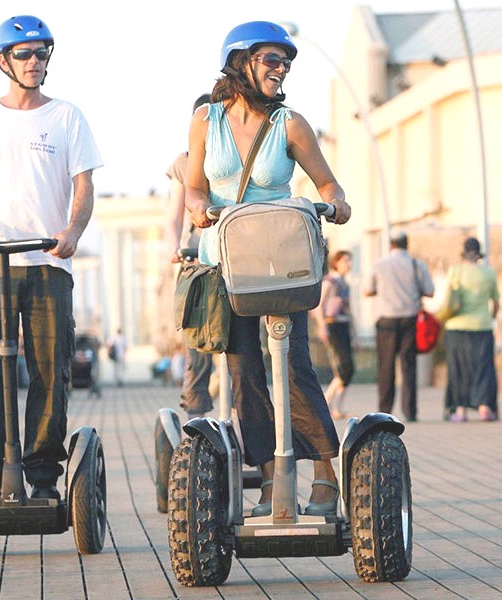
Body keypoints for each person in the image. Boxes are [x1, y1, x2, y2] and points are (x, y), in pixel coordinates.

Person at [185, 21, 351, 517]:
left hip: (281, 265)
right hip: (226, 266)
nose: (281, 70)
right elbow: (195, 186)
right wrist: (196, 207)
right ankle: (269, 480)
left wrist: (336, 205)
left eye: (285, 63)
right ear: (241, 63)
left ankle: (324, 470)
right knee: (245, 376)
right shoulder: (205, 120)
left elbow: (328, 185)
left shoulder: (291, 124)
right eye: (271, 60)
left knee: (294, 366)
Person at [0, 15, 103, 500]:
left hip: (49, 262)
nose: (35, 62)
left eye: (42, 53)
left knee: (51, 369)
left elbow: (83, 185)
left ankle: (44, 477)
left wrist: (72, 232)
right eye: (25, 54)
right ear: (4, 60)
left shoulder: (67, 116)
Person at [166, 92, 215, 418]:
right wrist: (174, 247)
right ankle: (195, 417)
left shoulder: (235, 158)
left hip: (235, 257)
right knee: (198, 342)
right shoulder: (184, 163)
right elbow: (173, 216)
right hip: (197, 256)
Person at [363, 231, 435, 422]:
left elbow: (367, 290)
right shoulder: (416, 264)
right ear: (406, 244)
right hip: (409, 320)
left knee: (385, 367)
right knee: (408, 367)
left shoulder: (379, 264)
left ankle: (384, 410)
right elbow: (430, 291)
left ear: (391, 245)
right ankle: (410, 411)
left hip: (386, 320)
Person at [440, 237, 500, 422]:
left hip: (457, 327)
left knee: (458, 369)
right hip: (482, 326)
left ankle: (460, 411)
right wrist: (490, 318)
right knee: (484, 368)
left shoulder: (455, 271)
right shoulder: (489, 273)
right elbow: (496, 303)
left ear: (463, 251)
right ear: (479, 252)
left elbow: (449, 298)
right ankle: (484, 408)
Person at [312, 250, 356, 420]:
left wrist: (355, 333)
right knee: (342, 367)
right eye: (345, 261)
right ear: (336, 263)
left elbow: (350, 310)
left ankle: (336, 406)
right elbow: (319, 306)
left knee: (347, 370)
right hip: (333, 325)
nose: (349, 264)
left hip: (344, 325)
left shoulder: (345, 284)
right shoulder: (329, 282)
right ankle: (327, 402)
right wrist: (322, 327)